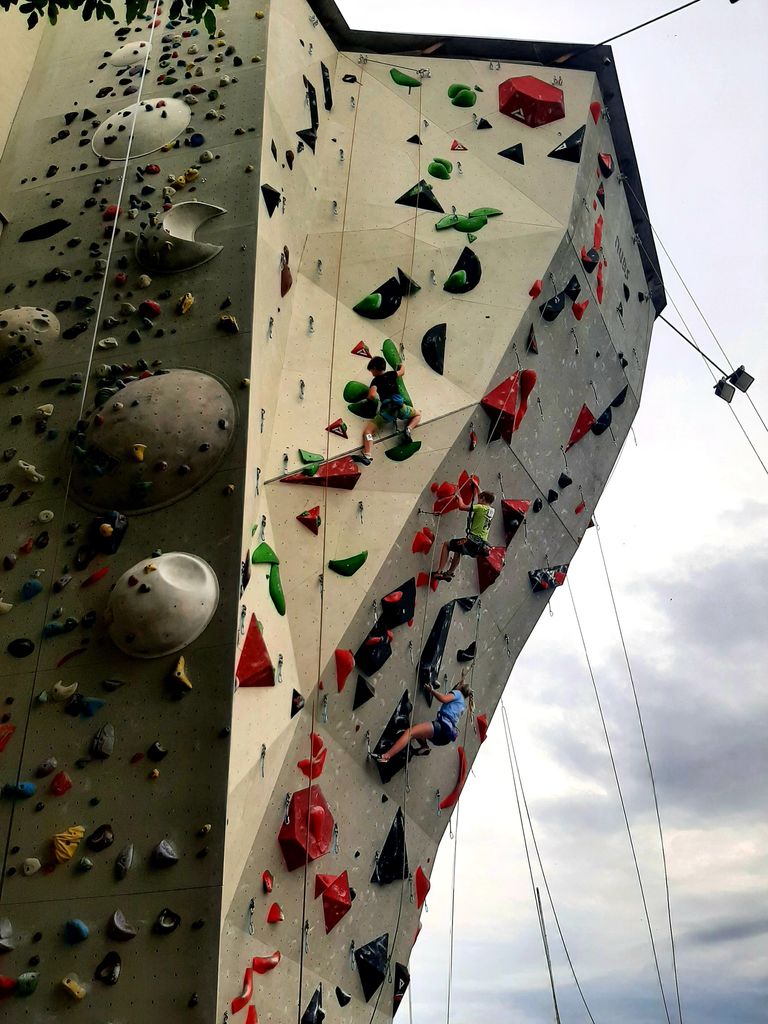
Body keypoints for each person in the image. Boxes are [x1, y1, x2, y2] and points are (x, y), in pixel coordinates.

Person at [371, 674, 474, 763]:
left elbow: (444, 699)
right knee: (417, 729)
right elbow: (461, 686)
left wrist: (432, 691)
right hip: (444, 737)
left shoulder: (457, 694)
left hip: (441, 727)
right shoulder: (462, 704)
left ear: (460, 688)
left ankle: (386, 756)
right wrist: (462, 679)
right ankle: (424, 747)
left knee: (409, 733)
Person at [353, 356, 421, 466]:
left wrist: (368, 399)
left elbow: (372, 395)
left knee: (368, 432)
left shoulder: (375, 381)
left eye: (371, 370)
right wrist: (400, 364)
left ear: (375, 368)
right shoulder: (391, 374)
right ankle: (408, 429)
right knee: (418, 414)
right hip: (401, 408)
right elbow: (402, 371)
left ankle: (367, 454)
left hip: (387, 412)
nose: (371, 373)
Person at [435, 486, 496, 582]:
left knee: (447, 545)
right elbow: (482, 496)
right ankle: (449, 573)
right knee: (458, 550)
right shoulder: (491, 511)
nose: (478, 500)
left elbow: (462, 507)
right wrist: (476, 486)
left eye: (479, 498)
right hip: (480, 545)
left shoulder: (480, 507)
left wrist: (459, 498)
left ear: (483, 499)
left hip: (471, 541)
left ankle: (439, 572)